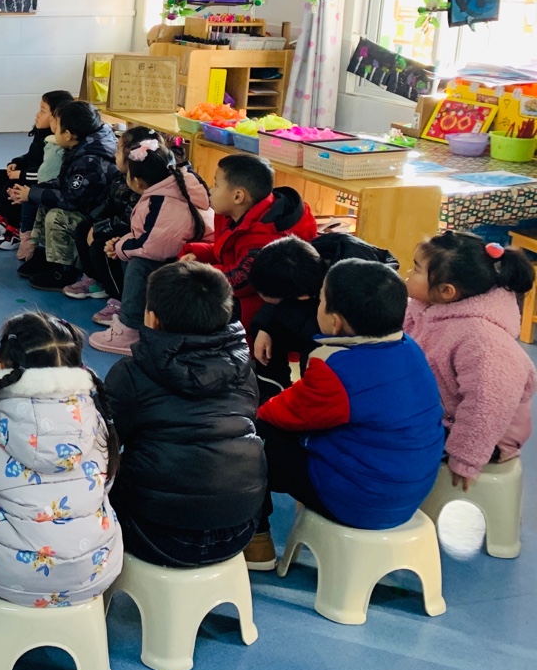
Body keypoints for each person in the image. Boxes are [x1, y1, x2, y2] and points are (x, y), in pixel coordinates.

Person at [247, 260, 444, 568]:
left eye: (321, 300)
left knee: (251, 437)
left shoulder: (337, 371)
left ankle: (257, 542)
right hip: (406, 495)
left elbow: (275, 413)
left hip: (358, 501)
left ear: (336, 322)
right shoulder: (409, 348)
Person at [105, 262, 265, 568]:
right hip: (238, 530)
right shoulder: (243, 369)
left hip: (156, 535)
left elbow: (105, 444)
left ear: (152, 318)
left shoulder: (131, 373)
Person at [0, 312, 122, 607]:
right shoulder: (96, 416)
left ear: (2, 364)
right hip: (94, 572)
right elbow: (105, 484)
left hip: (9, 577)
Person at [405, 231, 537, 489]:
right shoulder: (425, 307)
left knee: (385, 441)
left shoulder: (482, 340)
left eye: (417, 269)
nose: (409, 273)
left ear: (446, 291)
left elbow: (487, 407)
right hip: (445, 413)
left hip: (485, 438)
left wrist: (466, 458)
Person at [89, 136, 212, 356]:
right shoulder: (171, 185)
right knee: (131, 255)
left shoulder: (163, 201)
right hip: (182, 253)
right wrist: (123, 243)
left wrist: (120, 246)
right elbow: (151, 235)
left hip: (194, 262)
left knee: (139, 263)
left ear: (137, 182)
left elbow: (153, 246)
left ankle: (130, 329)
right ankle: (134, 316)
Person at [179, 153, 317, 326]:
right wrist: (198, 254)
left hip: (256, 308)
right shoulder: (235, 213)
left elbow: (241, 281)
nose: (210, 190)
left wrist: (197, 270)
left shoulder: (265, 237)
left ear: (238, 196)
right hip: (235, 288)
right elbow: (229, 251)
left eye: (216, 184)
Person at [8, 101, 117, 291]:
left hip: (96, 218)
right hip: (87, 206)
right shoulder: (84, 146)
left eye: (56, 126)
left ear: (68, 134)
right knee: (41, 200)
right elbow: (63, 182)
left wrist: (33, 193)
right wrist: (32, 192)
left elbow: (71, 199)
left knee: (57, 216)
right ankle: (45, 255)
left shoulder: (90, 160)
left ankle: (63, 269)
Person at [73, 126, 147, 324]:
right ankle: (95, 280)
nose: (114, 153)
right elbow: (109, 202)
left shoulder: (140, 182)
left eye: (118, 150)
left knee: (101, 246)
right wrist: (93, 221)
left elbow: (130, 219)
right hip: (116, 223)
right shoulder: (120, 175)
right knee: (82, 228)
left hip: (130, 231)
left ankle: (120, 298)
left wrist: (99, 228)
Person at [0, 90, 72, 250]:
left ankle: (17, 228)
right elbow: (31, 156)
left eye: (43, 111)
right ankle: (4, 219)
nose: (37, 115)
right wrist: (17, 162)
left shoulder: (57, 143)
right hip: (30, 173)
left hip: (41, 182)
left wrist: (21, 174)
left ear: (57, 117)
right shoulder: (42, 134)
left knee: (14, 186)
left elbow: (47, 173)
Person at [248, 236, 328, 400]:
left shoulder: (344, 294)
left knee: (314, 361)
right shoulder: (300, 258)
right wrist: (265, 327)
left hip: (337, 338)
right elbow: (275, 305)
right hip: (310, 316)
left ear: (301, 297)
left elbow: (319, 340)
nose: (260, 296)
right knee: (266, 333)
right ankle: (272, 391)